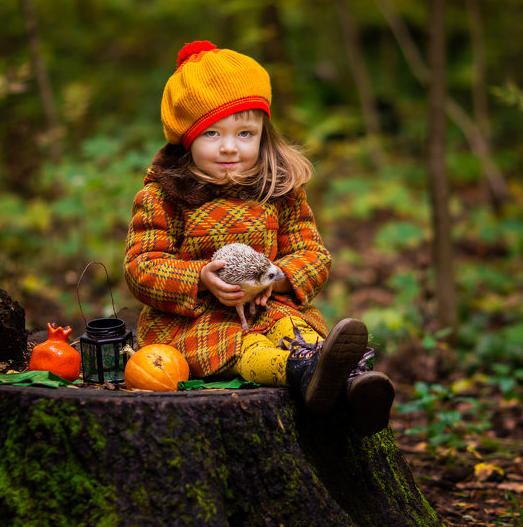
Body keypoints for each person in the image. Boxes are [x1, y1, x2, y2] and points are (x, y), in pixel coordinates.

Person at [124, 40, 394, 436]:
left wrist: (274, 278)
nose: (230, 147)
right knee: (247, 349)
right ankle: (305, 374)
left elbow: (312, 254)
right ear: (186, 138)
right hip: (198, 324)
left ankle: (353, 386)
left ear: (263, 134)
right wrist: (201, 278)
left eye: (245, 133)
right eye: (212, 133)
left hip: (271, 308)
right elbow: (141, 267)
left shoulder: (279, 189)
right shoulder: (164, 195)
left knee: (296, 333)